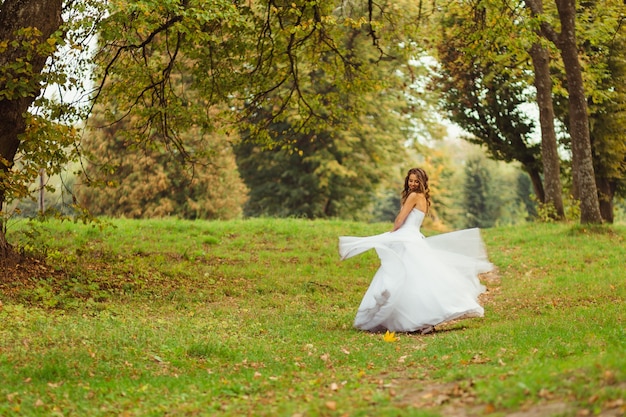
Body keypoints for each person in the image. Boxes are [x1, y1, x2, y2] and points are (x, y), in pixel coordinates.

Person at [339, 167, 494, 334]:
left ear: (422, 182)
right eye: (410, 180)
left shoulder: (413, 196)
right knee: (415, 279)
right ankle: (420, 319)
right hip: (414, 237)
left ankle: (414, 319)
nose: (412, 184)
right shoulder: (424, 199)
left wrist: (393, 232)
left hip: (407, 238)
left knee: (403, 277)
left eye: (415, 181)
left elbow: (401, 219)